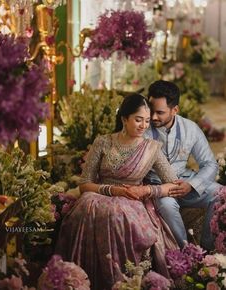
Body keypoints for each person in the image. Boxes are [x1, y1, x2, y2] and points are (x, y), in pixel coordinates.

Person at [56, 93, 179, 290]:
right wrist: (113, 190)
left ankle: (123, 281)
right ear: (124, 118)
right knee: (89, 203)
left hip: (133, 201)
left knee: (116, 214)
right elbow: (85, 183)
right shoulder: (103, 142)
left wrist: (147, 190)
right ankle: (81, 281)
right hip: (98, 195)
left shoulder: (152, 148)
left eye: (147, 121)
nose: (143, 125)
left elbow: (174, 184)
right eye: (138, 120)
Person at [144, 80, 221, 251]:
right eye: (151, 110)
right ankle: (187, 252)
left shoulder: (190, 128)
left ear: (175, 110)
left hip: (186, 182)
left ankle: (207, 249)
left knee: (220, 194)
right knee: (167, 205)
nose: (153, 117)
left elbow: (209, 164)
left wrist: (191, 185)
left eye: (160, 112)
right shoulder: (142, 127)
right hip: (158, 186)